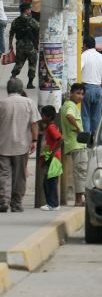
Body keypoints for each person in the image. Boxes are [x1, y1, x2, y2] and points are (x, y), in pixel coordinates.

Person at [0, 77, 41, 213]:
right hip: (22, 145)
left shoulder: (2, 103)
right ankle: (16, 203)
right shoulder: (29, 103)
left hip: (3, 145)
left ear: (8, 89)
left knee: (4, 174)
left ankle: (3, 201)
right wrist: (34, 141)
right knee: (20, 175)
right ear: (21, 88)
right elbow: (34, 123)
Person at [80, 36, 102, 133]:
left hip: (86, 88)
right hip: (98, 89)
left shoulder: (83, 56)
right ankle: (95, 138)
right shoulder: (101, 57)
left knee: (85, 116)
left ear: (85, 45)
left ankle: (86, 139)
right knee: (96, 117)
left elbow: (79, 69)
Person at [61, 83, 87, 206]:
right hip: (77, 144)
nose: (80, 96)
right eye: (78, 93)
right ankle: (78, 200)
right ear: (71, 93)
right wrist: (78, 129)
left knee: (79, 171)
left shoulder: (66, 105)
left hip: (72, 144)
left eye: (82, 94)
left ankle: (79, 199)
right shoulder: (71, 106)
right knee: (81, 171)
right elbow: (69, 116)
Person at [8, 2, 39, 89]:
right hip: (30, 46)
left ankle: (13, 77)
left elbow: (11, 33)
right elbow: (38, 27)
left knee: (19, 63)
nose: (30, 10)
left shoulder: (15, 21)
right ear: (26, 10)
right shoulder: (31, 20)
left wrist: (10, 44)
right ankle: (30, 83)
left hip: (20, 45)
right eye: (29, 9)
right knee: (32, 64)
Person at [39, 105, 62, 211]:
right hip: (50, 156)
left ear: (48, 116)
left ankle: (52, 203)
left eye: (43, 115)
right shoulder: (48, 127)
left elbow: (60, 139)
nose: (41, 117)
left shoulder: (51, 128)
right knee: (47, 181)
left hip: (53, 157)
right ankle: (51, 203)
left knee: (51, 182)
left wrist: (53, 153)